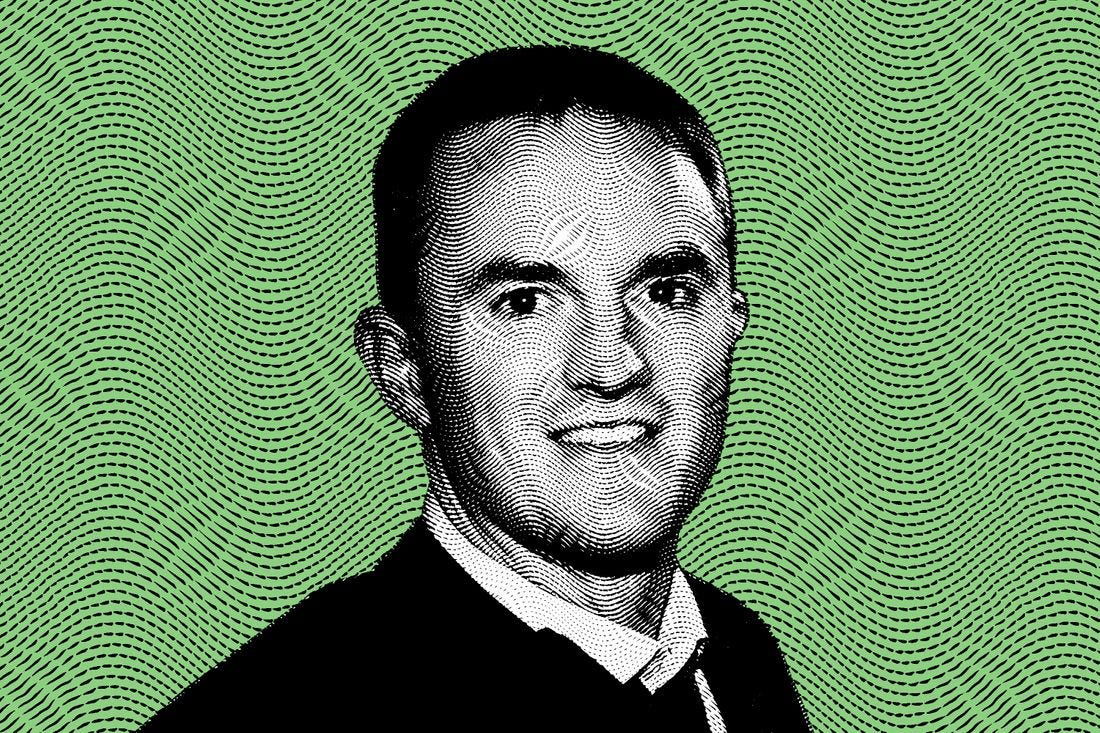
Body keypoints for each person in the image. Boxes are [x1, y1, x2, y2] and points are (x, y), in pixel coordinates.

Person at [141, 46, 812, 732]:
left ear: (731, 323)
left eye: (666, 292)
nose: (611, 365)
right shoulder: (279, 712)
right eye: (525, 303)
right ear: (403, 368)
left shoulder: (740, 661)